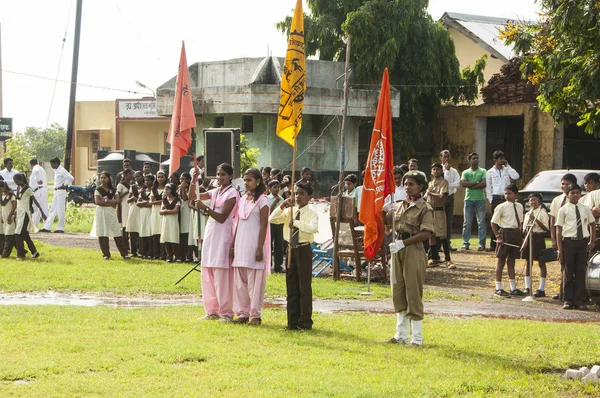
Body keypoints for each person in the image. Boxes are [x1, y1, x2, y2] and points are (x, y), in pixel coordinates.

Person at [386, 171, 434, 346]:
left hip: (413, 248)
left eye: (411, 184)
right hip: (398, 247)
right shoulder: (400, 205)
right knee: (398, 289)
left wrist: (404, 244)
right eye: (405, 184)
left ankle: (417, 338)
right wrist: (385, 212)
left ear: (420, 187)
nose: (407, 187)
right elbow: (391, 224)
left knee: (413, 291)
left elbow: (426, 233)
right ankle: (401, 335)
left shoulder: (425, 208)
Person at [269, 181, 319, 331]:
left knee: (304, 286)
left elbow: (313, 228)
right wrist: (283, 205)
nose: (298, 196)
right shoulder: (290, 211)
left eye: (302, 194)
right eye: (296, 193)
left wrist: (296, 223)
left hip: (303, 249)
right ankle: (292, 322)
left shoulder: (312, 213)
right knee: (291, 286)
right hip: (290, 248)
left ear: (309, 197)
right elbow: (272, 219)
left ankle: (305, 322)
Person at [194, 163, 240, 322]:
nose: (220, 178)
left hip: (223, 235)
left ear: (230, 176)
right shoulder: (215, 191)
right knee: (207, 272)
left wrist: (205, 209)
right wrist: (193, 181)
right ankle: (211, 311)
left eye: (223, 175)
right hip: (210, 234)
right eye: (218, 174)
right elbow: (194, 197)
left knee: (221, 275)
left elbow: (222, 217)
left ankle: (226, 312)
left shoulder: (232, 193)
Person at [231, 168, 270, 326]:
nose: (246, 183)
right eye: (245, 180)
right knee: (240, 282)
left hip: (254, 244)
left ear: (258, 181)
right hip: (241, 244)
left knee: (255, 282)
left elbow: (264, 225)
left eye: (249, 180)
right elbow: (237, 223)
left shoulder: (263, 200)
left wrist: (260, 247)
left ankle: (255, 315)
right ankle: (242, 313)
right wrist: (233, 245)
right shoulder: (242, 199)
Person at [556, 183, 595, 310]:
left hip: (582, 242)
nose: (575, 195)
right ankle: (567, 300)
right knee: (568, 271)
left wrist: (592, 241)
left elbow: (592, 224)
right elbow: (558, 229)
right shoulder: (563, 210)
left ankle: (579, 300)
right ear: (567, 195)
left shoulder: (585, 208)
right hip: (569, 243)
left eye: (577, 192)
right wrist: (560, 249)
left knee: (580, 272)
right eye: (572, 193)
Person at [491, 183, 525, 297]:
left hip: (515, 234)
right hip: (505, 233)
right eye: (505, 193)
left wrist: (521, 235)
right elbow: (493, 222)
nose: (507, 196)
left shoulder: (520, 206)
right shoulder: (501, 207)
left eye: (510, 194)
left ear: (516, 194)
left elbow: (520, 221)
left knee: (512, 261)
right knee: (501, 260)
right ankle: (498, 288)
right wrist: (498, 236)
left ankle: (513, 288)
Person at [548, 173, 577, 301]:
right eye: (562, 184)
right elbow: (553, 220)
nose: (564, 186)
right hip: (562, 237)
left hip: (573, 237)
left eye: (567, 184)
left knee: (573, 267)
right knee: (563, 265)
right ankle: (562, 292)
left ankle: (571, 294)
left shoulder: (579, 200)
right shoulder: (557, 200)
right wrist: (554, 239)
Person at [90, 171, 130, 260]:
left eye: (104, 177)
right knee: (103, 232)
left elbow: (117, 200)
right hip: (101, 213)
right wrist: (109, 203)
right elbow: (98, 202)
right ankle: (106, 254)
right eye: (101, 178)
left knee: (116, 232)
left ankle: (124, 253)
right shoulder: (98, 190)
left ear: (109, 179)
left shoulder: (114, 190)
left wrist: (106, 201)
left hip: (111, 213)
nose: (102, 179)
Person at [486, 150, 520, 250]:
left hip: (506, 198)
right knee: (495, 220)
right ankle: (494, 244)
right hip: (496, 197)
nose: (502, 160)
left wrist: (508, 166)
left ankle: (506, 240)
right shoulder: (490, 172)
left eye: (503, 158)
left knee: (506, 219)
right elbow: (488, 187)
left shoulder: (507, 170)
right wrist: (490, 199)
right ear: (495, 160)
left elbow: (516, 176)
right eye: (500, 159)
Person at [521, 193, 550, 297]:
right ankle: (527, 287)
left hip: (538, 237)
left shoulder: (542, 213)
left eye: (535, 200)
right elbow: (524, 229)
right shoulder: (528, 213)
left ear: (539, 202)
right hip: (529, 237)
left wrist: (535, 219)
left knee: (541, 262)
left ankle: (541, 288)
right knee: (528, 261)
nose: (532, 202)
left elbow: (546, 228)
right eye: (530, 200)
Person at [426, 163, 454, 269]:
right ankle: (434, 258)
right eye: (434, 169)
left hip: (439, 211)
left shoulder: (444, 182)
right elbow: (425, 197)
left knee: (442, 235)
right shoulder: (430, 183)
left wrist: (431, 193)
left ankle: (448, 259)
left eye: (438, 169)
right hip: (430, 211)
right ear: (431, 171)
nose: (436, 171)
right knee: (432, 235)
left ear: (441, 171)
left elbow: (442, 197)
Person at [13, 174, 45, 260]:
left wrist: (42, 212)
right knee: (24, 233)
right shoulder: (18, 188)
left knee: (18, 233)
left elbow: (35, 201)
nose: (16, 183)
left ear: (21, 180)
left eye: (17, 181)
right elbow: (19, 201)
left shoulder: (28, 189)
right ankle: (34, 252)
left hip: (25, 214)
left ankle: (21, 255)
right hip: (19, 213)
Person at [461, 153, 487, 251]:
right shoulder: (465, 172)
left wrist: (470, 185)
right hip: (468, 199)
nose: (476, 160)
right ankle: (465, 243)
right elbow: (463, 183)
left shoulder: (483, 171)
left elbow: (484, 184)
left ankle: (482, 243)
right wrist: (476, 183)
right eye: (473, 158)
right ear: (469, 160)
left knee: (481, 222)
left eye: (477, 158)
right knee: (467, 222)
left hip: (480, 199)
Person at [41, 158, 74, 233]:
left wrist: (64, 184)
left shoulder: (62, 170)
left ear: (57, 163)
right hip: (56, 191)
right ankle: (47, 227)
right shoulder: (56, 170)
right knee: (52, 209)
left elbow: (71, 178)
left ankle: (60, 227)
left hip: (61, 191)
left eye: (52, 164)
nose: (51, 166)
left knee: (60, 209)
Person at [440, 150, 460, 250]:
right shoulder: (438, 170)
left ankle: (447, 243)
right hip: (440, 198)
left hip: (450, 198)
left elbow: (458, 184)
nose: (447, 159)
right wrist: (446, 172)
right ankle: (439, 244)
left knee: (448, 221)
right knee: (439, 221)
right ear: (441, 158)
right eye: (445, 157)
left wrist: (448, 186)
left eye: (448, 157)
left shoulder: (454, 171)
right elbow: (441, 184)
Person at [160, 183, 181, 262]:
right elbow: (161, 211)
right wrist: (166, 211)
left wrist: (166, 211)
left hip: (173, 221)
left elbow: (175, 210)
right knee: (166, 237)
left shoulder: (176, 200)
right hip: (166, 221)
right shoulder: (164, 200)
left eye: (167, 189)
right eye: (165, 189)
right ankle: (169, 256)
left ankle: (177, 256)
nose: (165, 191)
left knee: (174, 237)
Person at [268, 180, 285, 273]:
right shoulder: (267, 198)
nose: (277, 189)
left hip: (280, 223)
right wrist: (275, 201)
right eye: (274, 187)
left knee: (279, 245)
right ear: (270, 188)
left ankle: (278, 265)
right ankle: (268, 265)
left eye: (278, 187)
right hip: (270, 223)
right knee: (269, 244)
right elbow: (269, 212)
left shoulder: (281, 199)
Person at [126, 171, 144, 257]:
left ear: (142, 176)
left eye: (139, 176)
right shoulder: (133, 187)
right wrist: (132, 198)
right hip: (133, 208)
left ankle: (141, 250)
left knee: (141, 229)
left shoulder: (145, 187)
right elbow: (128, 200)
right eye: (135, 177)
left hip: (142, 209)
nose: (137, 178)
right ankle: (133, 250)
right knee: (133, 229)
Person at [150, 171, 167, 259]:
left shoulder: (167, 189)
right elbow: (151, 201)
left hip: (164, 210)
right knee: (156, 231)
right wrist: (161, 201)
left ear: (165, 178)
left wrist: (159, 202)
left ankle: (163, 254)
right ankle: (156, 253)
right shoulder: (153, 189)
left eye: (162, 177)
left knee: (162, 231)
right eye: (158, 177)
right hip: (155, 211)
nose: (160, 179)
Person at [137, 174, 154, 259]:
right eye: (145, 181)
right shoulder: (142, 192)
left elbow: (152, 204)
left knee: (150, 231)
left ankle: (151, 252)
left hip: (151, 213)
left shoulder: (154, 191)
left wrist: (145, 203)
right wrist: (145, 203)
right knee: (143, 230)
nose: (147, 182)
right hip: (143, 213)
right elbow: (138, 203)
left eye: (148, 180)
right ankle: (143, 252)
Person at [116, 168, 134, 253]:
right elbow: (117, 197)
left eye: (132, 174)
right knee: (125, 226)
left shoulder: (133, 184)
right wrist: (128, 192)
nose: (131, 176)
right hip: (124, 206)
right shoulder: (121, 185)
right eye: (129, 174)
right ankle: (126, 246)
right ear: (125, 175)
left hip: (132, 206)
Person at [29, 158, 48, 228]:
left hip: (38, 190)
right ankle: (35, 226)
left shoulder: (35, 169)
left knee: (41, 208)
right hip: (41, 190)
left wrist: (37, 180)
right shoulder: (41, 168)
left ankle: (46, 226)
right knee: (36, 208)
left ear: (31, 164)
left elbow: (35, 176)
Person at [178, 172, 193, 261]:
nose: (181, 181)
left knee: (187, 233)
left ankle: (189, 255)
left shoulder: (190, 189)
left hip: (188, 212)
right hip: (181, 212)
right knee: (182, 234)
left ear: (188, 180)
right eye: (180, 179)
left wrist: (183, 189)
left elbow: (184, 198)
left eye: (183, 179)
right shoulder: (179, 188)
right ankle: (182, 255)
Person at [0, 181, 16, 257]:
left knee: (9, 236)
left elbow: (14, 206)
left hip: (10, 217)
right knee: (10, 236)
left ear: (3, 187)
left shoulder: (11, 195)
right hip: (4, 217)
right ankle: (22, 250)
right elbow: (2, 205)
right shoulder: (3, 195)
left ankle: (5, 254)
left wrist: (10, 216)